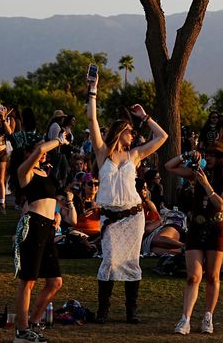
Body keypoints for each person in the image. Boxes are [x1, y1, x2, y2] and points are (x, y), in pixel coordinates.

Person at [86, 72, 168, 325]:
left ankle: (132, 311)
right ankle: (103, 310)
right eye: (130, 131)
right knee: (109, 260)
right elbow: (91, 118)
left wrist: (145, 117)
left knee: (132, 262)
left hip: (134, 215)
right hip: (111, 216)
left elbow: (162, 137)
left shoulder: (134, 155)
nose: (133, 134)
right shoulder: (103, 155)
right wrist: (93, 90)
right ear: (120, 132)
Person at [165, 138, 223, 335]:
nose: (208, 157)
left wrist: (206, 184)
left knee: (213, 276)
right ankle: (185, 318)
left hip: (216, 228)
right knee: (193, 276)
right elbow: (169, 166)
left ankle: (208, 316)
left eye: (213, 155)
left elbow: (221, 204)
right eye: (207, 154)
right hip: (196, 228)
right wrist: (187, 155)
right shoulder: (196, 173)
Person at [10, 137, 67, 343]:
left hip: (48, 228)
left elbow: (51, 199)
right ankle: (21, 331)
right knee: (29, 281)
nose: (43, 153)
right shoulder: (24, 172)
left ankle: (33, 323)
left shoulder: (45, 172)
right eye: (37, 151)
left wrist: (57, 213)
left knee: (55, 282)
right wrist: (59, 140)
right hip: (32, 227)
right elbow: (43, 147)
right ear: (29, 153)